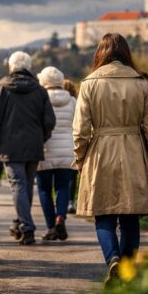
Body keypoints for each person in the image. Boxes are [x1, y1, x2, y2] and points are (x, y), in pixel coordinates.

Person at [72, 33, 148, 285]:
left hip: (100, 152)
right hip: (134, 152)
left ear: (99, 54)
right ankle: (126, 268)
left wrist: (80, 159)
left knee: (103, 214)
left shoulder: (89, 84)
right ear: (126, 53)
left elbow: (80, 129)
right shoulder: (141, 84)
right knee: (130, 216)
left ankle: (112, 258)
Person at [0, 51, 56, 245]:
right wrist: (41, 138)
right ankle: (20, 222)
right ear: (29, 67)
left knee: (18, 185)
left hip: (10, 145)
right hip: (33, 145)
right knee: (25, 184)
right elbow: (49, 120)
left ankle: (26, 226)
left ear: (10, 67)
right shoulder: (39, 91)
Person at [35, 66, 76, 241]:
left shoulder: (38, 99)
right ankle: (61, 216)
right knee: (62, 187)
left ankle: (51, 226)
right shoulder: (73, 101)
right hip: (67, 150)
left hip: (45, 149)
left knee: (44, 189)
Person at [63, 79, 79, 213]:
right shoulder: (75, 102)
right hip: (71, 142)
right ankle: (71, 201)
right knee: (72, 176)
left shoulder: (50, 101)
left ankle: (61, 199)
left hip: (55, 144)